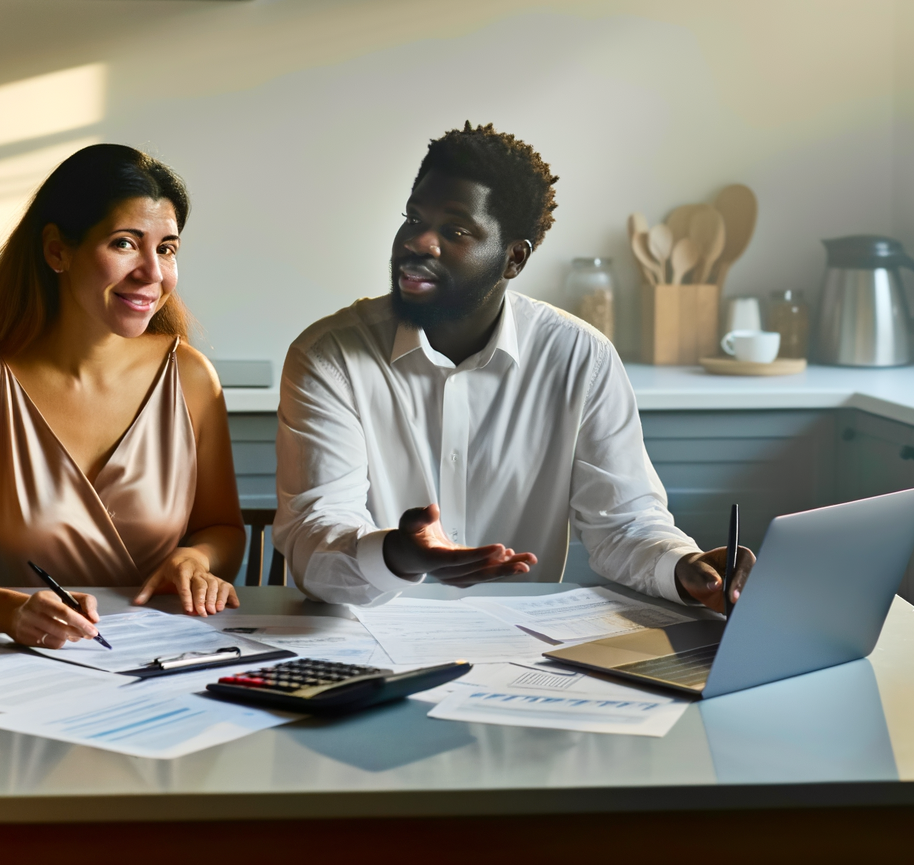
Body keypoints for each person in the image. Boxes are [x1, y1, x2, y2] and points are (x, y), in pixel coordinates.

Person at [274, 122, 753, 609]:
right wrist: (398, 554)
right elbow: (314, 542)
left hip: (524, 653)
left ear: (513, 259)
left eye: (455, 230)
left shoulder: (579, 358)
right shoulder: (328, 357)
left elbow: (623, 525)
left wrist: (683, 566)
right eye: (414, 218)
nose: (419, 242)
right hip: (362, 645)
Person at [0, 144, 245, 649]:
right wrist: (13, 612)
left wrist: (195, 559)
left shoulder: (190, 376)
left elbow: (221, 528)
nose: (152, 272)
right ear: (57, 250)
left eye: (167, 248)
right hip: (9, 668)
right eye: (126, 243)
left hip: (158, 666)